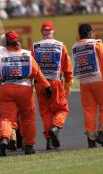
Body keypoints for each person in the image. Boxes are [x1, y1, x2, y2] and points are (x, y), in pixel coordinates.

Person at [0, 31, 51, 156]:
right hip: (25, 89)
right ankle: (29, 146)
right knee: (28, 118)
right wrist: (47, 86)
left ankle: (4, 138)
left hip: (6, 89)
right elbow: (37, 73)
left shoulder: (0, 56)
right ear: (18, 41)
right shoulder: (27, 54)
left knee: (7, 118)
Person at [72, 24, 103, 148]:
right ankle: (102, 133)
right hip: (99, 80)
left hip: (84, 82)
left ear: (79, 34)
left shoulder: (75, 46)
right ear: (91, 33)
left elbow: (89, 44)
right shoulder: (97, 44)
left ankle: (91, 139)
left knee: (89, 110)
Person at [31, 21, 73, 149]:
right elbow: (68, 68)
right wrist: (68, 83)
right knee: (62, 109)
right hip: (56, 82)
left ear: (42, 32)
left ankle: (49, 140)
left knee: (46, 112)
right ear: (53, 31)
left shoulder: (35, 46)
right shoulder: (60, 45)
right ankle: (55, 127)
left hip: (40, 84)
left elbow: (31, 66)